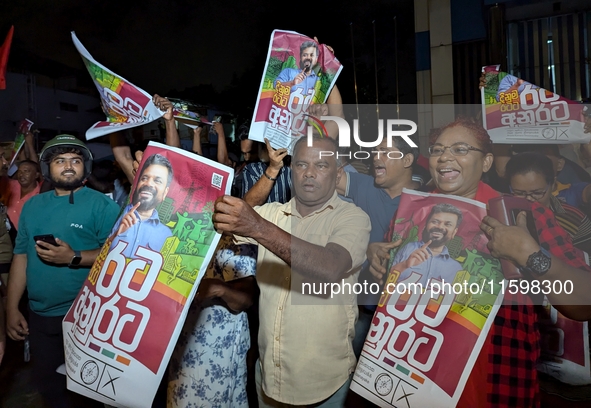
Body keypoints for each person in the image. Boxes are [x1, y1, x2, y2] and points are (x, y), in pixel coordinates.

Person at [213, 136, 371, 407]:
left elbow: (329, 267)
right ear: (291, 170)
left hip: (325, 384)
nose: (309, 173)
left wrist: (258, 227)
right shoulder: (273, 213)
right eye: (301, 164)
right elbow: (227, 223)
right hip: (270, 377)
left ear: (337, 174)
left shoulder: (352, 218)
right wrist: (269, 175)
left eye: (322, 165)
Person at [5, 134, 120, 407]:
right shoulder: (33, 206)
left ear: (85, 167)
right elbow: (21, 256)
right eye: (60, 160)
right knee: (50, 390)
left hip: (85, 317)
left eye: (75, 160)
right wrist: (11, 309)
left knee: (86, 394)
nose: (68, 166)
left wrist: (74, 256)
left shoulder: (103, 205)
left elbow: (118, 257)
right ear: (47, 168)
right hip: (40, 316)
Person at [167, 235, 258, 408]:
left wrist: (219, 289)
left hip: (216, 350)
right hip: (183, 342)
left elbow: (246, 298)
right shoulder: (198, 231)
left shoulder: (239, 239)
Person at [506, 152, 591, 254]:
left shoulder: (575, 219)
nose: (529, 199)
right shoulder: (503, 214)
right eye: (519, 193)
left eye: (537, 193)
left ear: (553, 185)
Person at [110, 153, 174, 258]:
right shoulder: (121, 215)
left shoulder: (166, 234)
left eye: (157, 181)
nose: (148, 183)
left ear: (165, 193)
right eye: (144, 178)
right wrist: (116, 235)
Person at [390, 203, 464, 286]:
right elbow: (386, 281)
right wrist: (404, 265)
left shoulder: (456, 268)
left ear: (454, 232)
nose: (440, 227)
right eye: (435, 222)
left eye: (448, 224)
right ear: (426, 225)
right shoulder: (407, 248)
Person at [7, 159, 41, 230]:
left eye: (26, 171)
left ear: (36, 175)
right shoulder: (11, 185)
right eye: (19, 171)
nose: (21, 174)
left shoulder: (39, 197)